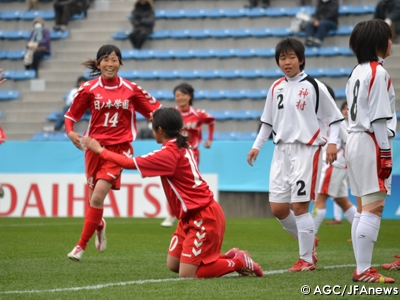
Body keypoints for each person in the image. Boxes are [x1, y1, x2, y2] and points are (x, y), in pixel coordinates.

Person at [82, 107, 264, 278]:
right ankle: (231, 255)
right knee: (174, 264)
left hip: (203, 217)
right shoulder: (180, 145)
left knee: (188, 274)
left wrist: (99, 150)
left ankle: (239, 262)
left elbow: (129, 163)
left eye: (154, 128)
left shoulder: (169, 154)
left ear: (160, 130)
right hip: (189, 217)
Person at [247, 37, 344, 272]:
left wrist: (332, 143)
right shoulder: (275, 87)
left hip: (306, 150)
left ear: (301, 59)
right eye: (282, 58)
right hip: (281, 151)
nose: (287, 62)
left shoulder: (314, 86)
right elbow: (267, 122)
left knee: (300, 207)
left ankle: (307, 260)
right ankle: (308, 240)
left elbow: (336, 119)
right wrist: (257, 146)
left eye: (291, 57)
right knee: (278, 208)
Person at [65, 44, 162, 261]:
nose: (110, 64)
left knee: (98, 196)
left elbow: (155, 112)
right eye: (106, 60)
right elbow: (71, 116)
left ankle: (80, 247)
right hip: (93, 149)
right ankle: (100, 225)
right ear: (99, 64)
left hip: (120, 149)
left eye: (115, 60)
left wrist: (164, 127)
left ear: (120, 63)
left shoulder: (131, 89)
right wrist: (70, 132)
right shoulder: (89, 89)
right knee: (94, 202)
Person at [346, 19, 396, 283]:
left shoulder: (357, 71)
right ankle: (364, 270)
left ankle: (361, 267)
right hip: (371, 140)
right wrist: (386, 153)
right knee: (373, 208)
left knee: (364, 206)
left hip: (355, 139)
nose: (392, 42)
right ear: (379, 41)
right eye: (389, 37)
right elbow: (379, 119)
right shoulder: (378, 72)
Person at [160, 82, 216, 228]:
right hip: (173, 153)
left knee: (187, 185)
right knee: (173, 184)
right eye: (177, 95)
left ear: (190, 96)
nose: (180, 98)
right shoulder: (172, 113)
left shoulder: (197, 114)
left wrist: (210, 139)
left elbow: (211, 121)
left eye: (183, 95)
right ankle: (173, 214)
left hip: (191, 153)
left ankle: (186, 213)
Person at [312, 95, 356, 236]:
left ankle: (309, 235)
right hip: (337, 165)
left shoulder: (336, 118)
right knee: (343, 201)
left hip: (333, 164)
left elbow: (348, 140)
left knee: (320, 198)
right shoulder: (323, 116)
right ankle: (362, 234)